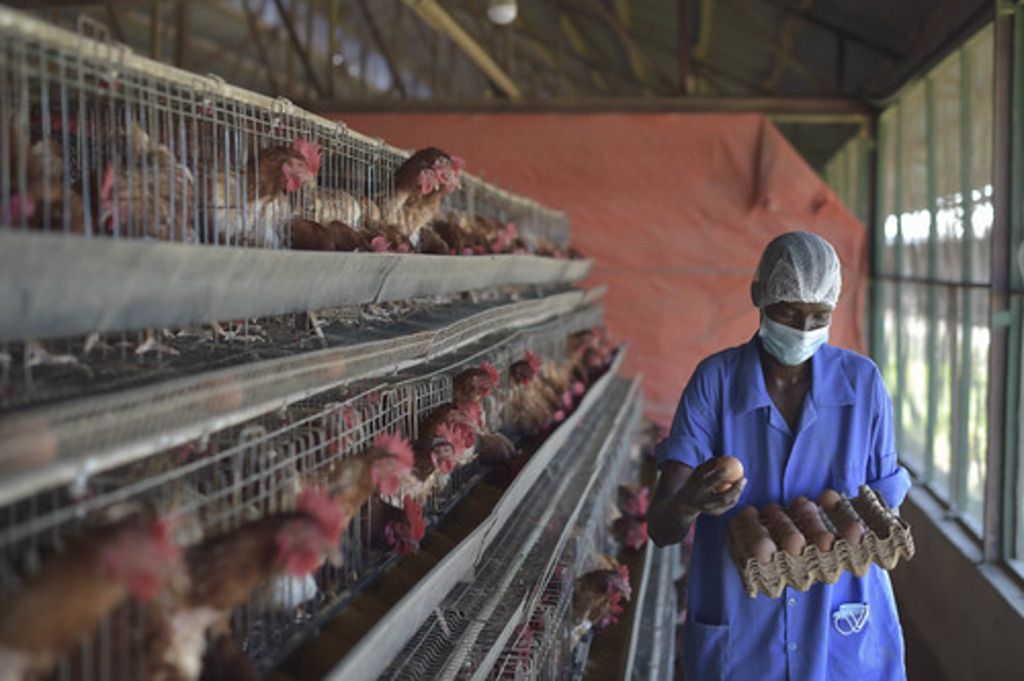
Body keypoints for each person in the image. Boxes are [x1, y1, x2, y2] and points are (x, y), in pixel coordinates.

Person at [648, 231, 911, 681]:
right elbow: (661, 528)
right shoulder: (715, 382)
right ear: (757, 296)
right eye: (788, 312)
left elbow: (881, 510)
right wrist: (691, 502)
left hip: (842, 627)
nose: (804, 330)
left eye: (819, 315)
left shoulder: (862, 385)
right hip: (745, 631)